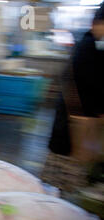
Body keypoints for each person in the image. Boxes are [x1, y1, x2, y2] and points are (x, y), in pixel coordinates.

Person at [41, 4, 104, 193]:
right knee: (63, 176)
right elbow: (76, 85)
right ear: (95, 23)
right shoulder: (87, 47)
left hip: (84, 123)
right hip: (75, 123)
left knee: (72, 177)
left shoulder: (95, 46)